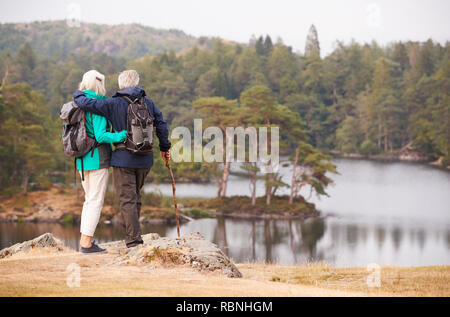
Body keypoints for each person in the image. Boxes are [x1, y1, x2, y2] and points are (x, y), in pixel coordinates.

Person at [73, 70, 171, 248]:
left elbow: (86, 103)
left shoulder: (112, 103)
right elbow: (161, 124)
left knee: (127, 200)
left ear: (120, 85)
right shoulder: (148, 103)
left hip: (122, 159)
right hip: (145, 159)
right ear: (137, 83)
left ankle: (133, 241)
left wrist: (78, 92)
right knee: (136, 197)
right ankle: (135, 235)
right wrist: (165, 147)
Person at [76, 70, 127, 254]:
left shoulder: (78, 103)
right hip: (97, 158)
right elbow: (101, 135)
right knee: (95, 201)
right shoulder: (97, 105)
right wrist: (122, 135)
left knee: (89, 200)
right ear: (100, 84)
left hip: (81, 160)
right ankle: (86, 244)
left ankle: (84, 240)